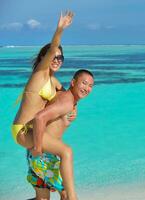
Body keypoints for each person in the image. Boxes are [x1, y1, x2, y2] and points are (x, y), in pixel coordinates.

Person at [11, 11, 77, 199]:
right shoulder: (40, 74)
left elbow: (70, 96)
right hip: (23, 131)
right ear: (44, 59)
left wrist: (74, 111)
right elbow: (53, 47)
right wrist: (60, 29)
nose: (57, 60)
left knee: (43, 198)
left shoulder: (53, 81)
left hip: (34, 134)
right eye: (53, 57)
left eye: (60, 58)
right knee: (66, 152)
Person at [26, 69, 94, 200]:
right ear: (73, 82)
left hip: (37, 154)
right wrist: (38, 149)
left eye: (90, 86)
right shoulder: (66, 101)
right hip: (43, 156)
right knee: (67, 195)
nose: (87, 88)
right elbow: (39, 118)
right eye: (84, 83)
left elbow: (52, 79)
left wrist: (74, 106)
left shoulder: (69, 99)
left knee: (42, 198)